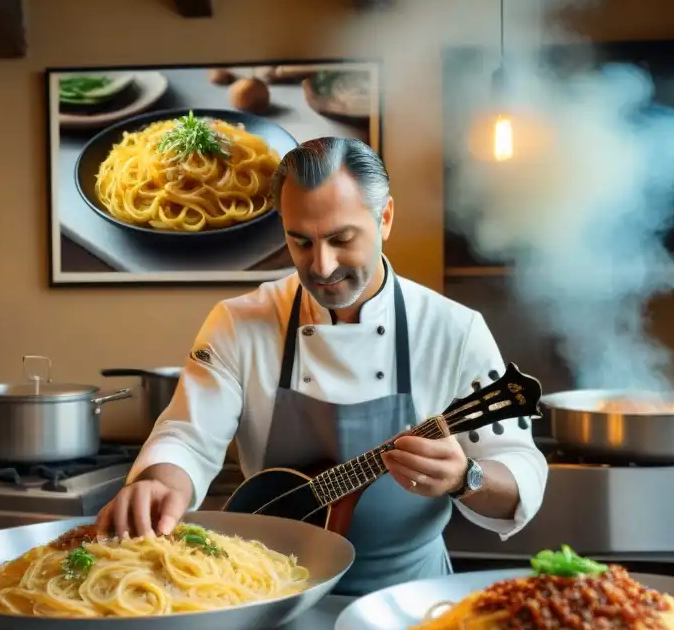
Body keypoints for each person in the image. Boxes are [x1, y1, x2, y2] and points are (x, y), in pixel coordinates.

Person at [96, 136, 548, 596]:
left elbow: (520, 470)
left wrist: (464, 478)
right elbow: (188, 436)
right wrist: (158, 481)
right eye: (301, 242)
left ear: (385, 217)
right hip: (272, 589)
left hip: (411, 595)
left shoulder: (454, 329)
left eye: (341, 239)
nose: (322, 265)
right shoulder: (239, 322)